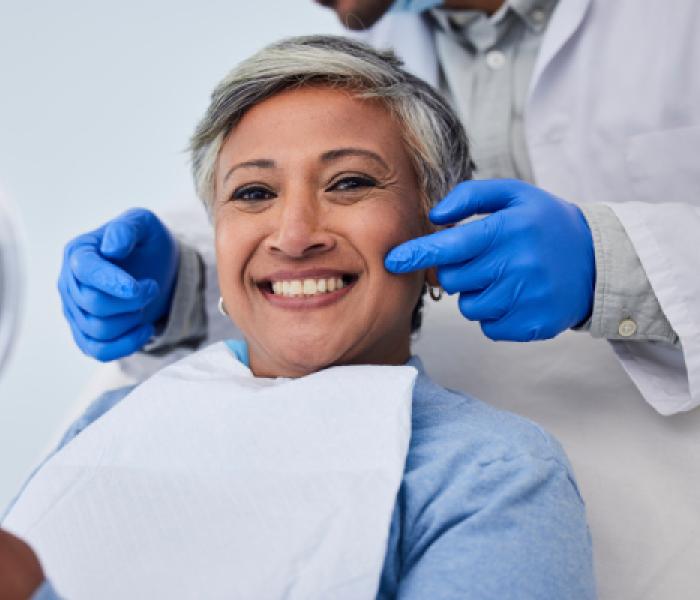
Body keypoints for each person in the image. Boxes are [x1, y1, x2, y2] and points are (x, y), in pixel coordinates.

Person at [4, 36, 594, 599]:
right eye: (254, 193)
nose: (293, 236)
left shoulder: (492, 474)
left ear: (436, 234)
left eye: (350, 182)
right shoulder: (109, 423)